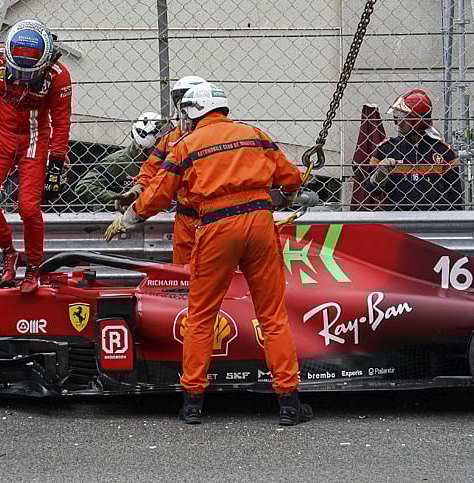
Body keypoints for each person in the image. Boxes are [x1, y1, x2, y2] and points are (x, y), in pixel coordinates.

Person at [103, 82, 312, 426]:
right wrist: (287, 196)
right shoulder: (254, 133)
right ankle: (289, 402)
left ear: (193, 112)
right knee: (272, 316)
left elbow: (158, 192)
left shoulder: (187, 145)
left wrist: (130, 217)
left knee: (200, 316)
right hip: (260, 223)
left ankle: (192, 404)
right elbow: (290, 178)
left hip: (216, 226)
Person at [0, 18, 72, 292]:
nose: (23, 78)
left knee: (28, 207)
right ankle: (9, 252)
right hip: (1, 135)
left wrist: (56, 165)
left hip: (35, 140)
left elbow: (61, 122)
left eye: (30, 73)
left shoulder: (59, 75)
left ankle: (34, 267)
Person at [115, 75, 204, 265]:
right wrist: (137, 190)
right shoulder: (171, 138)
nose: (183, 108)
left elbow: (160, 189)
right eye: (179, 101)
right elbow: (151, 170)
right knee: (184, 276)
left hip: (214, 216)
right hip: (186, 218)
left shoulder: (215, 135)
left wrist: (135, 213)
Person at [366, 88, 463, 211]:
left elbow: (456, 197)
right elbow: (369, 192)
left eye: (405, 118)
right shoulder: (386, 150)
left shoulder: (443, 152)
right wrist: (379, 176)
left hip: (436, 221)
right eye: (397, 118)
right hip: (398, 220)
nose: (399, 123)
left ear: (419, 121)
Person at [74, 112, 161, 210]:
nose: (163, 149)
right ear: (142, 146)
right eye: (157, 146)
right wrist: (118, 198)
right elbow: (84, 186)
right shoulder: (118, 161)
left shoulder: (165, 161)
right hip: (115, 217)